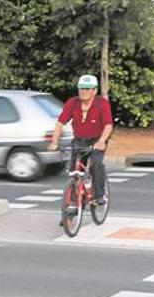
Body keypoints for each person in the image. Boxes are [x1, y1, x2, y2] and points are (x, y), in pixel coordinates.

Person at [48, 74, 114, 205]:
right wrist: (54, 142)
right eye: (81, 88)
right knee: (74, 172)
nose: (84, 91)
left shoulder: (102, 103)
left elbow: (108, 125)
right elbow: (60, 123)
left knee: (96, 164)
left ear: (94, 91)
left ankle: (99, 195)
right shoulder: (72, 103)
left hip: (97, 141)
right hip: (79, 141)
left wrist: (101, 141)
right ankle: (71, 209)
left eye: (88, 88)